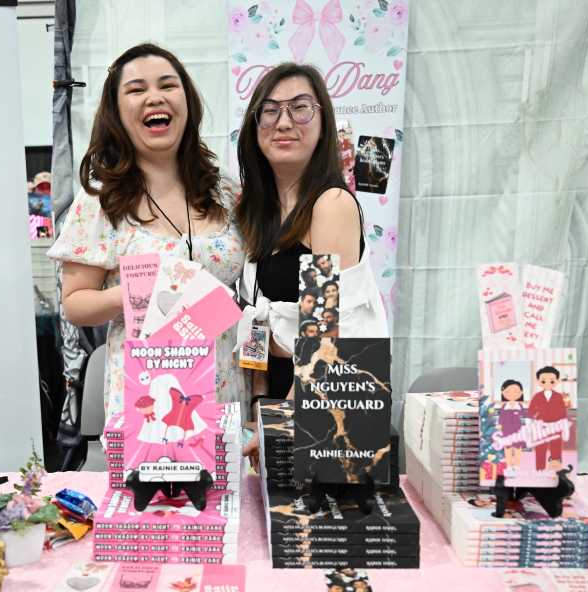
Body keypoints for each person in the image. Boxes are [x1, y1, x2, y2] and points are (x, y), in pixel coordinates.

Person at [51, 43, 246, 419]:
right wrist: (141, 291)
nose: (155, 97)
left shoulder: (224, 190)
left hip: (224, 390)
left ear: (186, 100)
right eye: (137, 89)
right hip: (149, 402)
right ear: (117, 111)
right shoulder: (101, 200)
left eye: (167, 85)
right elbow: (74, 304)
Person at [234, 62, 387, 403]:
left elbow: (324, 338)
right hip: (276, 394)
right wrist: (257, 405)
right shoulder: (258, 213)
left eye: (300, 108)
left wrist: (283, 420)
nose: (284, 122)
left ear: (323, 124)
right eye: (270, 111)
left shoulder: (331, 204)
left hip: (317, 401)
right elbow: (258, 321)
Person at [526, 366, 569, 470]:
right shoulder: (537, 396)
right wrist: (531, 425)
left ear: (557, 381)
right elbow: (531, 411)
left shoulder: (559, 396)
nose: (548, 384)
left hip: (556, 426)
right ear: (538, 381)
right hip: (541, 427)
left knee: (556, 448)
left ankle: (556, 469)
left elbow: (563, 412)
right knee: (540, 448)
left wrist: (564, 427)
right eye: (543, 381)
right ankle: (540, 469)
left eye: (552, 381)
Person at [495, 379, 527, 469]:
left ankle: (516, 464)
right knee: (508, 448)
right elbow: (501, 417)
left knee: (517, 448)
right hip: (506, 430)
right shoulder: (504, 406)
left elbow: (524, 417)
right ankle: (509, 464)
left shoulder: (520, 406)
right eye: (508, 391)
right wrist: (499, 425)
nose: (512, 394)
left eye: (515, 391)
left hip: (518, 431)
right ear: (503, 392)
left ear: (521, 393)